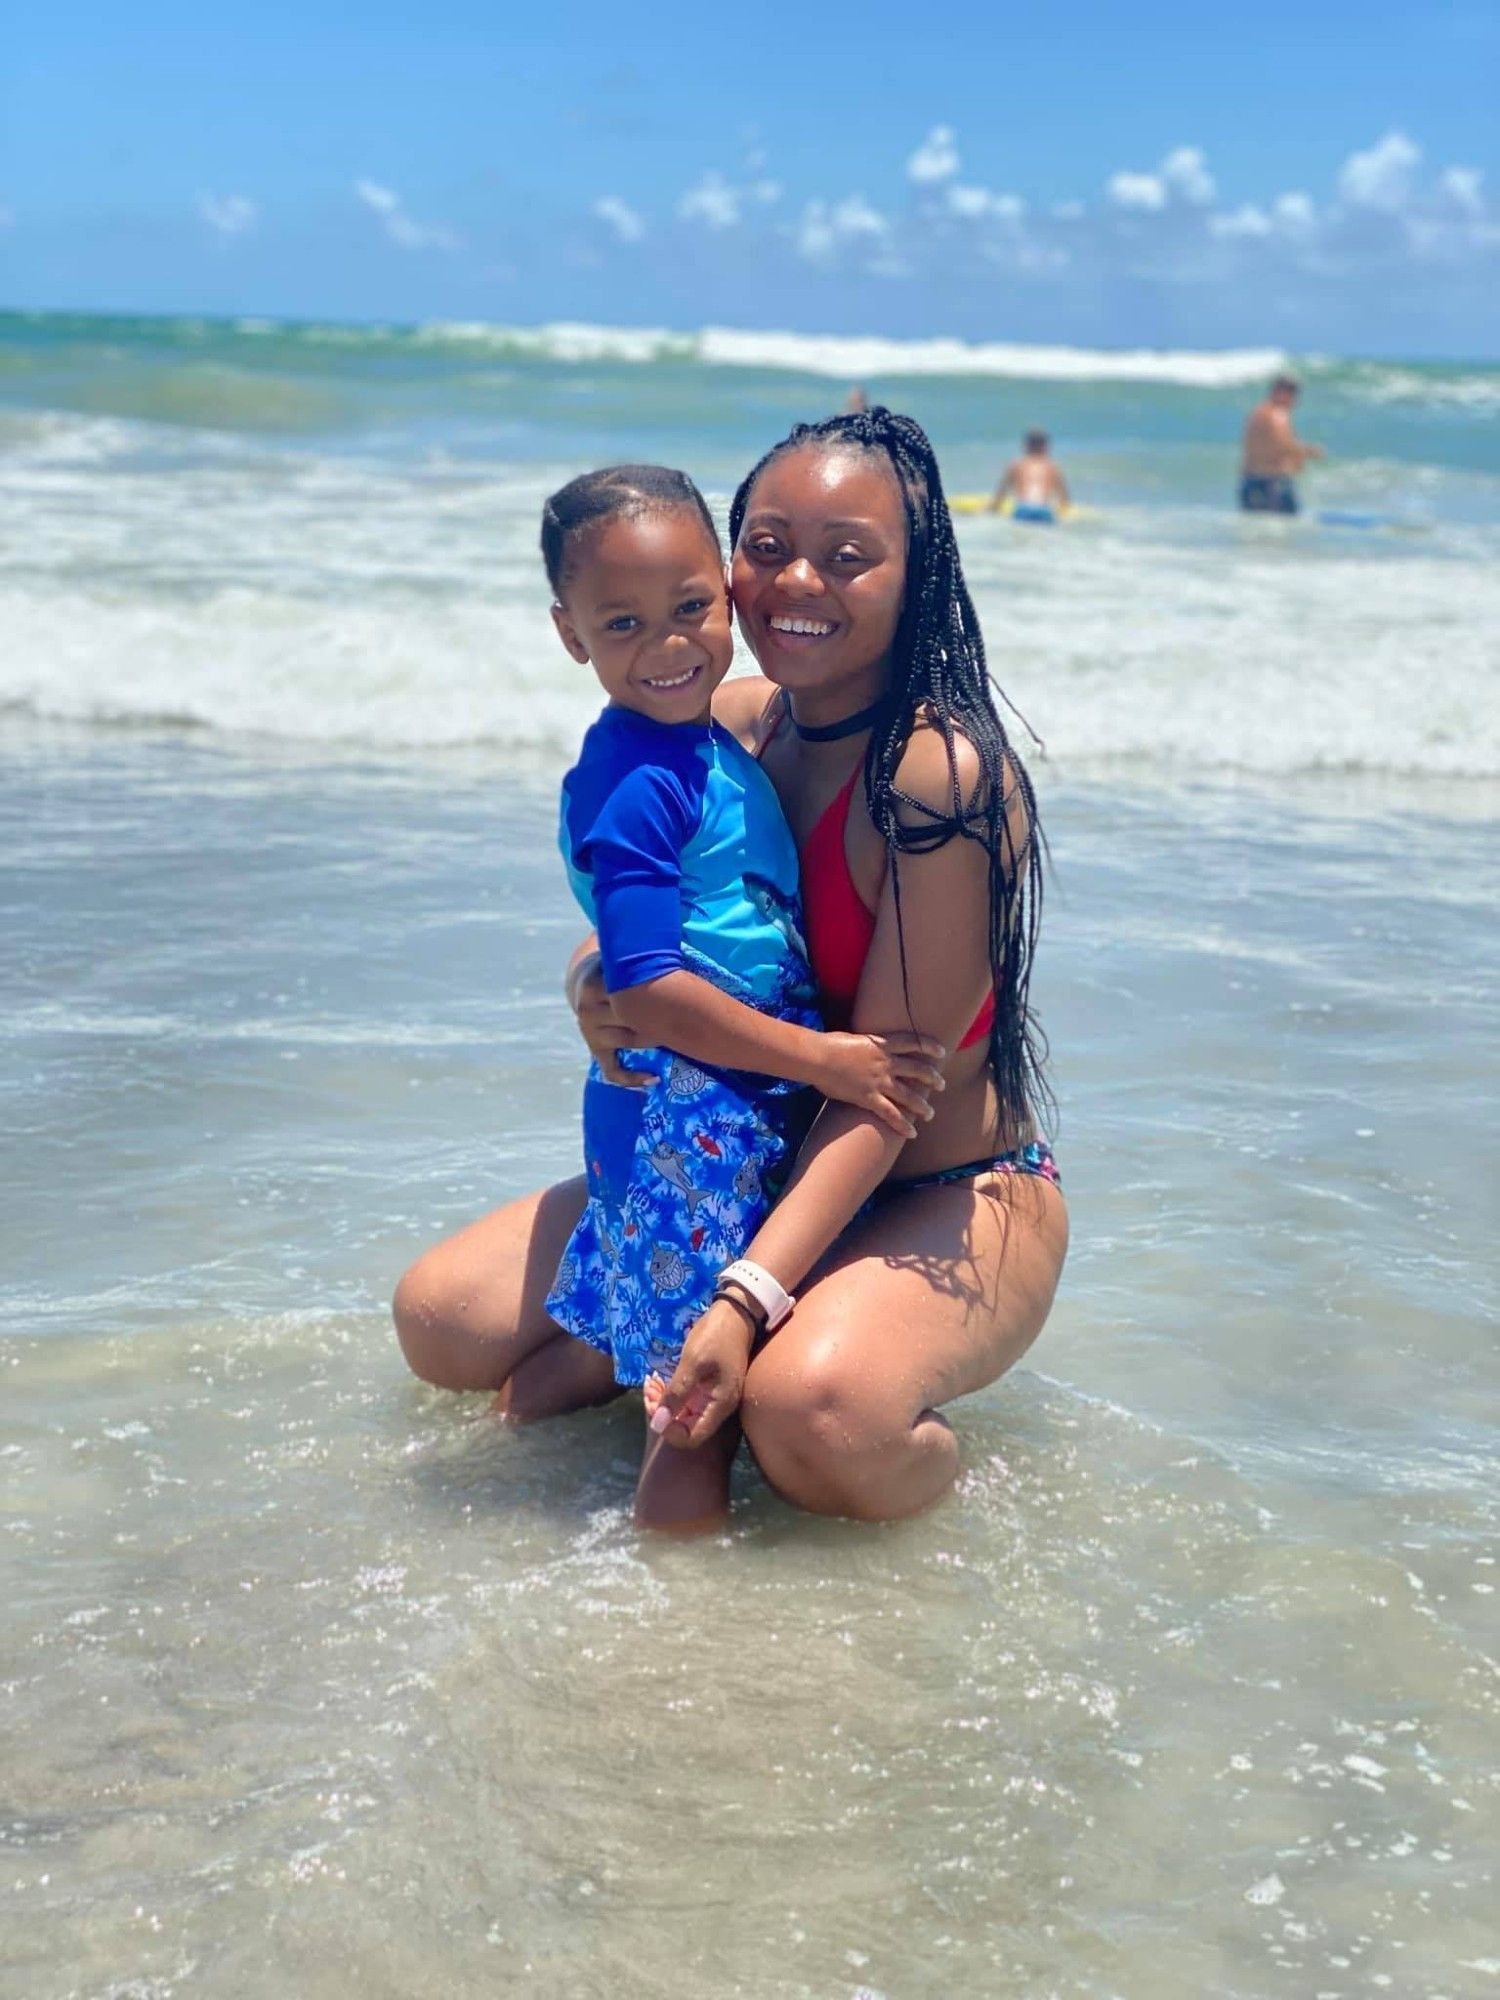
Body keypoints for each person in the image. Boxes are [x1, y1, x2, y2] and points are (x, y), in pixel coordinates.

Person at [393, 409, 1069, 1527]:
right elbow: (651, 918)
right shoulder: (737, 725)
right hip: (739, 1162)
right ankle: (678, 1348)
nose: (798, 578)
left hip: (935, 1188)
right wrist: (593, 986)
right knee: (440, 1321)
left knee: (815, 1419)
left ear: (917, 572)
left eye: (848, 555)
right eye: (766, 545)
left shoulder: (936, 775)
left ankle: (916, 1459)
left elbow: (888, 1089)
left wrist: (745, 1298)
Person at [508, 463, 945, 1530]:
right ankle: (680, 1624)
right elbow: (650, 986)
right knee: (694, 1403)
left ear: (728, 591)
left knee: (646, 1333)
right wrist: (829, 1061)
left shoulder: (703, 741)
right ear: (572, 635)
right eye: (625, 622)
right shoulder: (645, 778)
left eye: (692, 608)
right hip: (686, 1114)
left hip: (701, 1103)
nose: (671, 645)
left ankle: (503, 1449)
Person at [1239, 374, 1324, 514]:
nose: (1295, 401)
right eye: (1294, 395)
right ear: (1282, 392)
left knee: (1257, 531)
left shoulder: (1258, 412)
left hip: (1250, 483)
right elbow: (1282, 444)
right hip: (1272, 485)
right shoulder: (1277, 414)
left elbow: (1264, 447)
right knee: (1282, 531)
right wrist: (1309, 451)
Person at [991, 430, 1070, 522]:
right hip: (1044, 510)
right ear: (1046, 447)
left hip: (1023, 509)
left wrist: (991, 509)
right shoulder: (1053, 467)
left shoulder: (1016, 464)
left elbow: (1000, 495)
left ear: (1025, 446)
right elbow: (1064, 498)